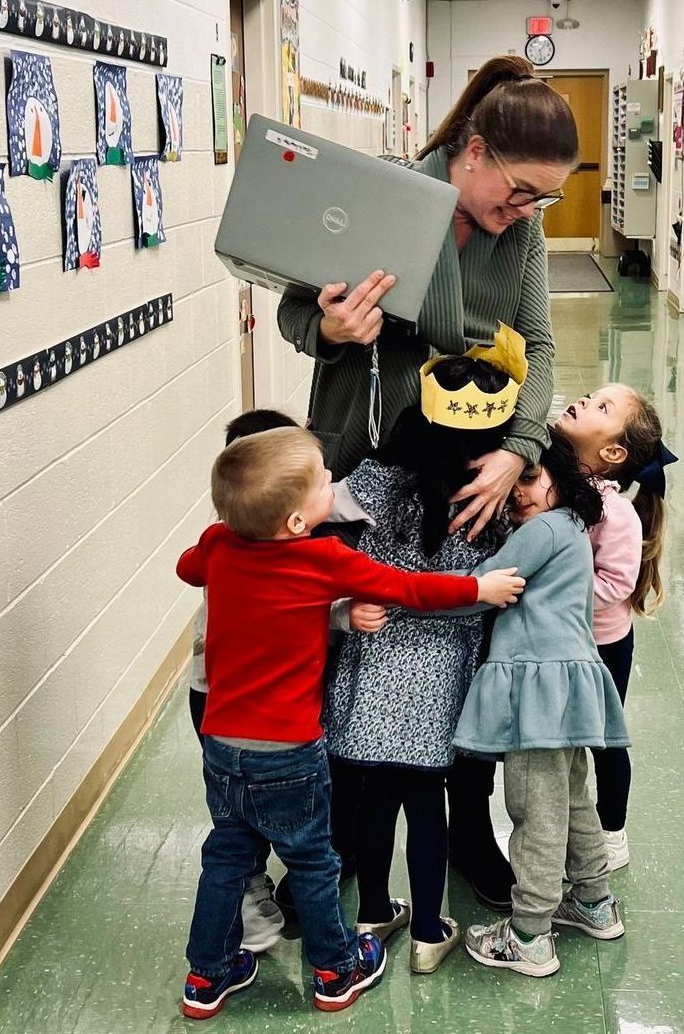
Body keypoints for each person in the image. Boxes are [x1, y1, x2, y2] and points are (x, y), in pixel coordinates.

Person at [277, 53, 579, 905]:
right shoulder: (380, 199)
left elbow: (540, 345)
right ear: (473, 150)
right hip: (359, 453)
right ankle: (339, 841)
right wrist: (333, 329)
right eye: (519, 190)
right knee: (350, 639)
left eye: (542, 200)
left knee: (462, 644)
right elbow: (295, 309)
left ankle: (464, 828)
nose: (524, 211)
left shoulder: (515, 235)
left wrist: (519, 448)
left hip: (468, 463)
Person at [177, 426, 524, 1018]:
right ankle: (337, 970)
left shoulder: (218, 544)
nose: (333, 485)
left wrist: (228, 540)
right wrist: (480, 586)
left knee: (227, 856)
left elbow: (188, 568)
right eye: (321, 484)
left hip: (221, 739)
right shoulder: (322, 558)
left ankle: (206, 978)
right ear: (293, 523)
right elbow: (409, 588)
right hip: (289, 747)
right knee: (314, 861)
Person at [323, 327, 526, 975]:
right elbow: (490, 591)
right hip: (441, 674)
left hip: (372, 660)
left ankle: (375, 910)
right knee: (426, 802)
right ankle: (429, 931)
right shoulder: (490, 500)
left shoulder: (377, 480)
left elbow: (326, 524)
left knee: (375, 797)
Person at [451, 432, 630, 977]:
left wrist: (419, 593)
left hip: (537, 691)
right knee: (573, 798)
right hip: (569, 684)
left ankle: (529, 934)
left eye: (527, 479)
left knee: (536, 810)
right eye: (511, 489)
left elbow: (484, 582)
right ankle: (595, 902)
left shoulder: (543, 529)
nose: (518, 495)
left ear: (558, 475)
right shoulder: (573, 526)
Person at [188, 411, 300, 959]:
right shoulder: (278, 550)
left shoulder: (219, 542)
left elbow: (188, 566)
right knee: (251, 814)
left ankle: (241, 914)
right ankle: (259, 898)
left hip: (213, 699)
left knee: (232, 812)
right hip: (235, 702)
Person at [554, 385, 674, 870]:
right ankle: (565, 824)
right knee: (563, 737)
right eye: (590, 396)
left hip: (602, 645)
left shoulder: (615, 511)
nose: (585, 400)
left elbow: (617, 583)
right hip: (559, 639)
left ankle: (612, 831)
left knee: (605, 739)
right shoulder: (554, 484)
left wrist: (556, 597)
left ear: (613, 453)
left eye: (602, 407)